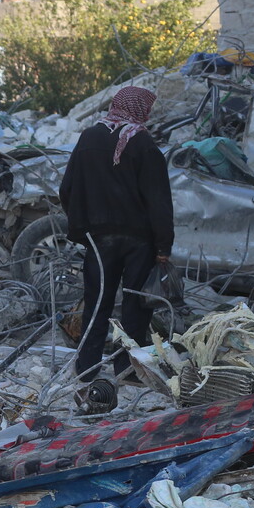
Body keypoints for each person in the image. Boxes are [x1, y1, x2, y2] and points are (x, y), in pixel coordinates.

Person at [58, 85, 174, 412]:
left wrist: (82, 226)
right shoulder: (144, 143)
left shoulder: (88, 139)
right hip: (139, 239)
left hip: (98, 238)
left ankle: (88, 367)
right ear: (140, 109)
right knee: (135, 305)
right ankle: (128, 370)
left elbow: (66, 189)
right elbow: (159, 202)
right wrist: (163, 246)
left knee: (98, 302)